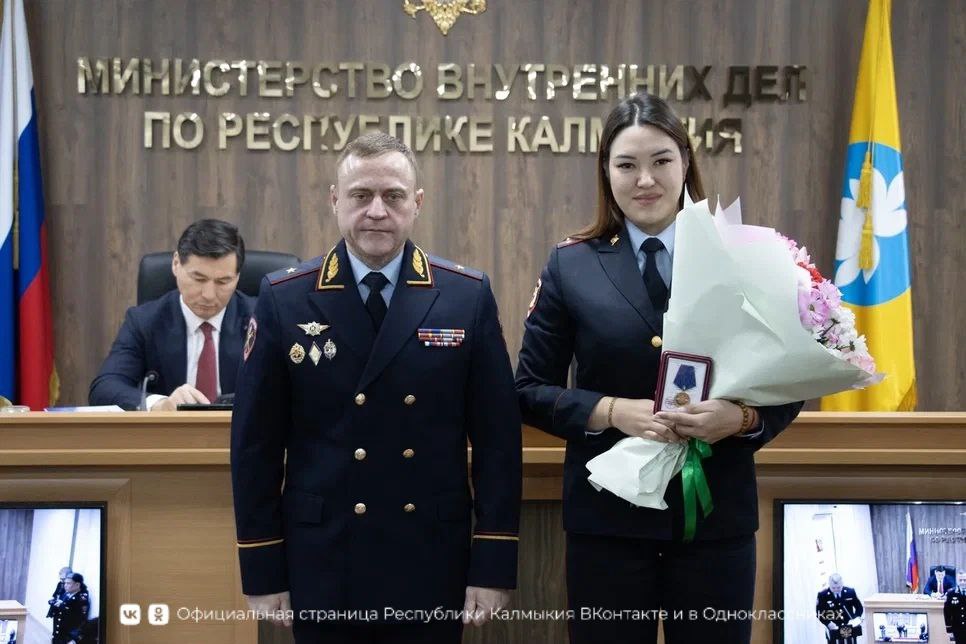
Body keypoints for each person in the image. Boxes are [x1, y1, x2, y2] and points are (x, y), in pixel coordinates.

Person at [515, 92, 803, 644]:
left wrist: (742, 419)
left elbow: (790, 379)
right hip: (608, 525)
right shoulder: (572, 265)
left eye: (661, 161)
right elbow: (529, 390)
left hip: (715, 521)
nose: (644, 180)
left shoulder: (743, 254)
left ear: (686, 162)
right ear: (606, 172)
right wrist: (610, 410)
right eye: (626, 165)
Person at [231, 132, 521, 643]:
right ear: (335, 200)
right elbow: (255, 446)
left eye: (393, 196)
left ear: (417, 203)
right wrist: (262, 566)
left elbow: (498, 442)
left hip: (429, 553)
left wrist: (493, 563)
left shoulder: (465, 295)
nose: (377, 211)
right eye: (361, 195)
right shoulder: (284, 298)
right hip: (324, 555)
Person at [89, 219, 255, 410]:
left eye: (223, 282)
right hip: (168, 429)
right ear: (176, 264)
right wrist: (160, 404)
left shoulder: (261, 320)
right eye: (199, 279)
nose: (208, 295)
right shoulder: (144, 322)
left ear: (237, 277)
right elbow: (104, 388)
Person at [816, 573, 864, 643]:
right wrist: (828, 623)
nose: (836, 590)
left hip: (849, 626)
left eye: (838, 587)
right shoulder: (823, 595)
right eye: (833, 588)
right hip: (833, 628)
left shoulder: (850, 592)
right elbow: (819, 613)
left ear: (842, 584)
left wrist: (856, 619)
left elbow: (859, 607)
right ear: (829, 585)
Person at [49, 572, 89, 644]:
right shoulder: (66, 594)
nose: (65, 585)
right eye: (65, 583)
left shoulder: (81, 598)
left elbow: (81, 620)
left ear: (77, 585)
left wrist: (74, 639)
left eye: (68, 583)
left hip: (68, 637)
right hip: (59, 634)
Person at [944, 570, 966, 642]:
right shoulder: (951, 593)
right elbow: (947, 612)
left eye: (965, 580)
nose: (963, 582)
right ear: (957, 581)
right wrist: (949, 629)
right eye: (960, 580)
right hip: (957, 628)